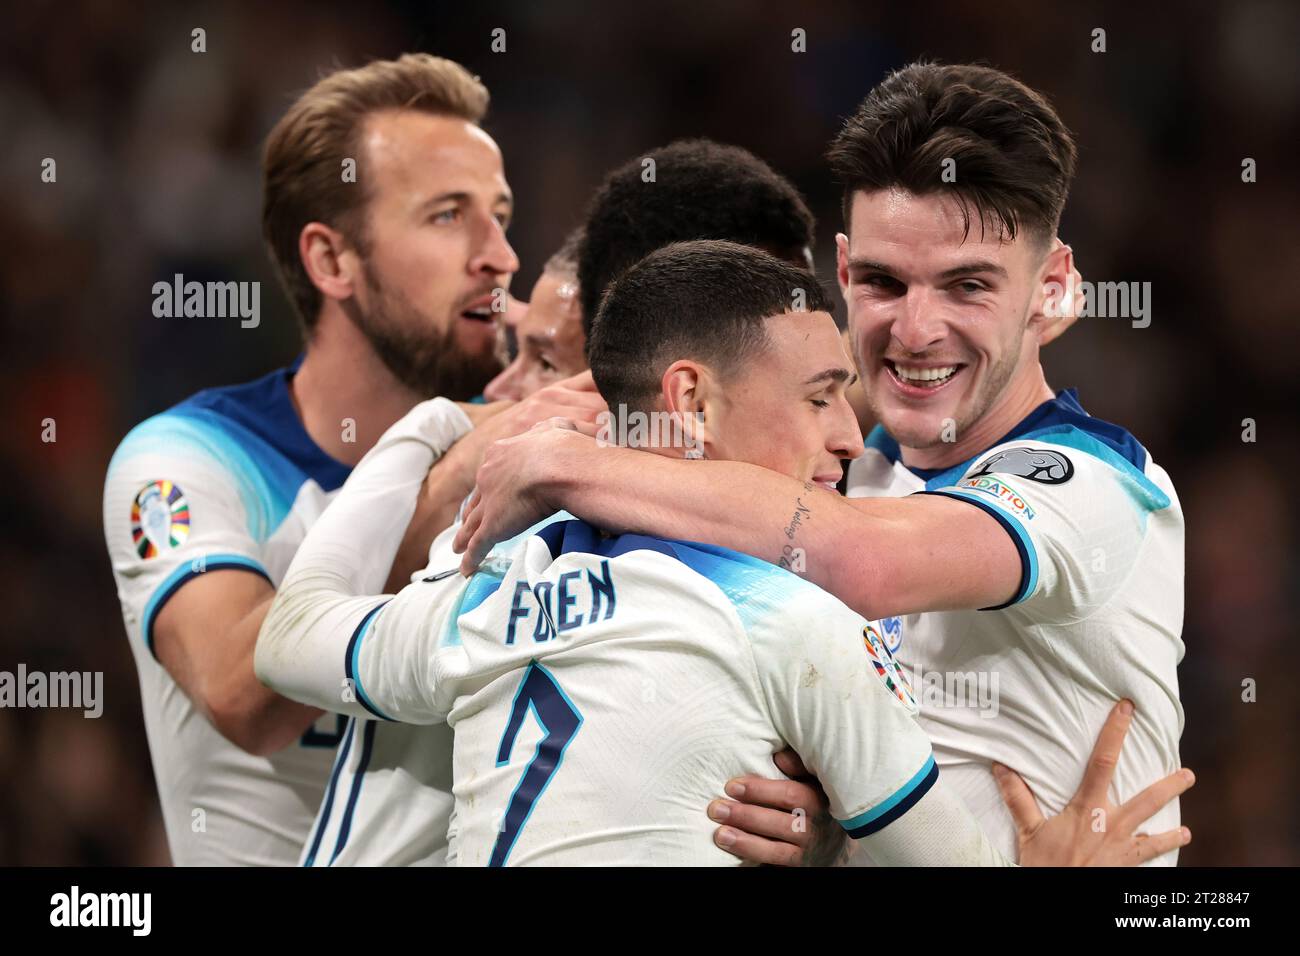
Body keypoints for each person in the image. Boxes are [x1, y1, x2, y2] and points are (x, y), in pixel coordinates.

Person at [454, 62, 1187, 865]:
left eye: (967, 286)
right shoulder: (832, 473)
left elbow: (862, 559)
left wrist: (564, 465)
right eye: (882, 282)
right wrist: (827, 834)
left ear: (1050, 289)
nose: (914, 330)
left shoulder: (1095, 483)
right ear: (839, 273)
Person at [258, 240, 1191, 865]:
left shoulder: (488, 590)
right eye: (823, 395)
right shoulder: (796, 618)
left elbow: (288, 637)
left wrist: (424, 430)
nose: (844, 437)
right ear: (693, 400)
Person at [102, 53, 597, 866]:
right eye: (447, 216)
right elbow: (242, 695)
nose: (500, 256)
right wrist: (446, 482)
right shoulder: (186, 461)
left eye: (500, 215)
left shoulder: (542, 449)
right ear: (332, 260)